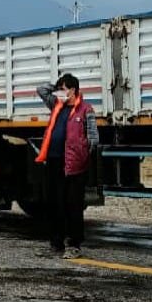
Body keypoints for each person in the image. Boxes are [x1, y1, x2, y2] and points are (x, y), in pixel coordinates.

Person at [35, 73, 99, 259]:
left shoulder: (85, 110)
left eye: (63, 89)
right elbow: (41, 90)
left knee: (73, 205)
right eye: (59, 90)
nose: (59, 93)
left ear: (73, 90)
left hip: (74, 165)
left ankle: (74, 245)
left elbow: (93, 138)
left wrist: (83, 154)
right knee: (54, 204)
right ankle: (55, 243)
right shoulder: (57, 106)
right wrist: (57, 88)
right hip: (54, 162)